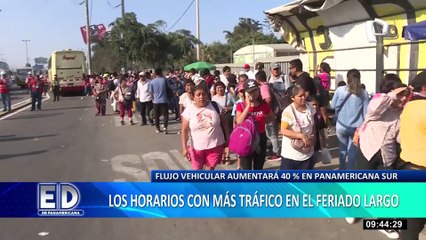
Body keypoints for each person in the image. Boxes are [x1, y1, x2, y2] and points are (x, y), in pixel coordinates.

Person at [399, 71, 426, 240]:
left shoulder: (409, 106)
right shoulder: (423, 108)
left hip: (408, 169)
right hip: (421, 172)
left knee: (410, 225)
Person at [181, 83, 227, 170]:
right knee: (197, 172)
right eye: (198, 95)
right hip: (196, 148)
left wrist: (227, 142)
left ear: (207, 95)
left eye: (203, 94)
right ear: (193, 97)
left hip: (215, 145)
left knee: (210, 172)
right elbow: (184, 130)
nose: (201, 97)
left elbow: (224, 124)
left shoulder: (215, 106)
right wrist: (184, 148)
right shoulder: (189, 109)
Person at [331, 69, 369, 170]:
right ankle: (350, 171)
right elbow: (366, 113)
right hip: (356, 128)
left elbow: (333, 106)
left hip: (341, 126)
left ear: (347, 79)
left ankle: (341, 168)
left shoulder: (340, 90)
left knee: (342, 149)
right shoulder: (363, 93)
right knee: (352, 151)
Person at [235, 79, 274, 170]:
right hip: (246, 139)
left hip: (260, 137)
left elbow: (271, 117)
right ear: (245, 93)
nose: (253, 94)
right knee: (246, 167)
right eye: (250, 92)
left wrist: (262, 121)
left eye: (255, 90)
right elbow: (239, 121)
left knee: (259, 166)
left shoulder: (263, 105)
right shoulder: (241, 105)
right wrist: (248, 106)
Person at [280, 85, 316, 170]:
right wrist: (301, 136)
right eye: (300, 96)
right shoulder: (288, 112)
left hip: (308, 154)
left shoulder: (310, 107)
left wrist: (313, 138)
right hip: (291, 156)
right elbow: (283, 130)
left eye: (304, 95)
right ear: (292, 98)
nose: (303, 97)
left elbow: (313, 125)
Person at [211, 81, 234, 164]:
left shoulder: (229, 96)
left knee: (227, 137)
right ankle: (222, 155)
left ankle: (227, 156)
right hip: (218, 119)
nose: (220, 89)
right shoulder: (213, 98)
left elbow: (236, 105)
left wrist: (229, 108)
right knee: (220, 137)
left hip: (227, 120)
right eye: (218, 88)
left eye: (221, 87)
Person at [149, 67, 170, 134]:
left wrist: (152, 99)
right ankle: (165, 127)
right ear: (161, 72)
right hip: (164, 100)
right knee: (165, 115)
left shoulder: (152, 82)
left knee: (156, 116)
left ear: (155, 73)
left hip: (156, 101)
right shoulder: (164, 80)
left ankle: (158, 128)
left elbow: (151, 92)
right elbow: (169, 87)